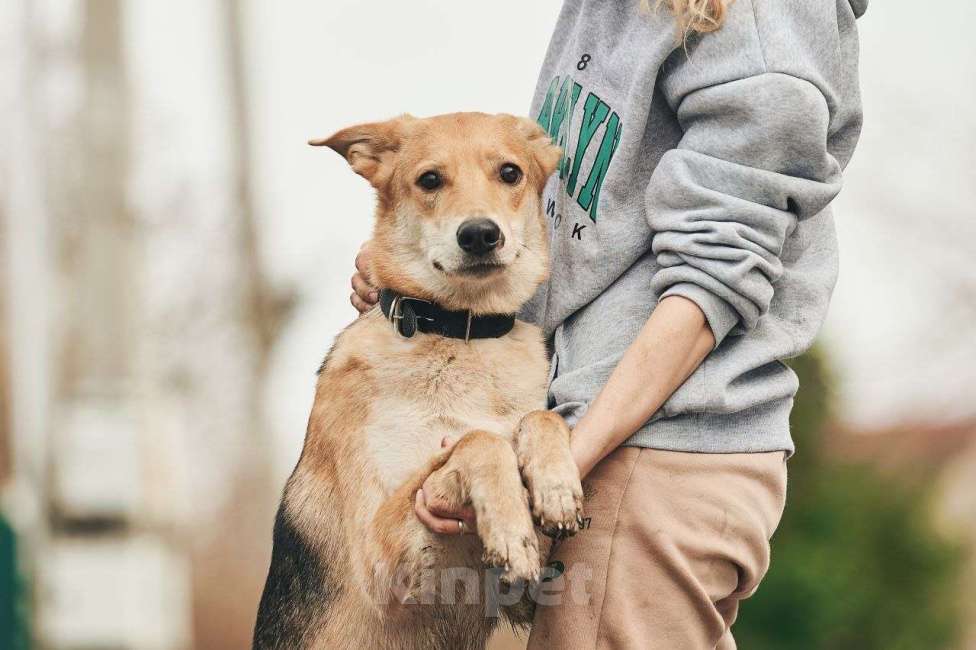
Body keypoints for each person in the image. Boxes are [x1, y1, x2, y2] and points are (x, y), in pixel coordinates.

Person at [350, 0, 866, 647]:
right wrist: (421, 273)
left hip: (646, 455)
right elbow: (566, 231)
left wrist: (557, 464)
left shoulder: (759, 17)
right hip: (601, 450)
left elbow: (715, 281)